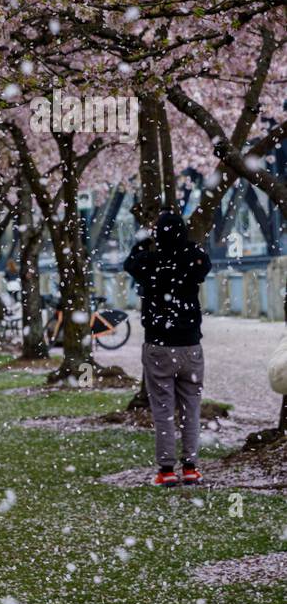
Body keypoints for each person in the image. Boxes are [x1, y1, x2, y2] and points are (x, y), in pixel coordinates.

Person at [123, 208, 212, 487]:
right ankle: (190, 467)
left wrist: (143, 244)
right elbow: (204, 263)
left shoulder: (150, 261)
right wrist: (186, 244)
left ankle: (166, 469)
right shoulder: (191, 259)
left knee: (163, 409)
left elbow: (130, 264)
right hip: (190, 345)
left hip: (159, 344)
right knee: (191, 408)